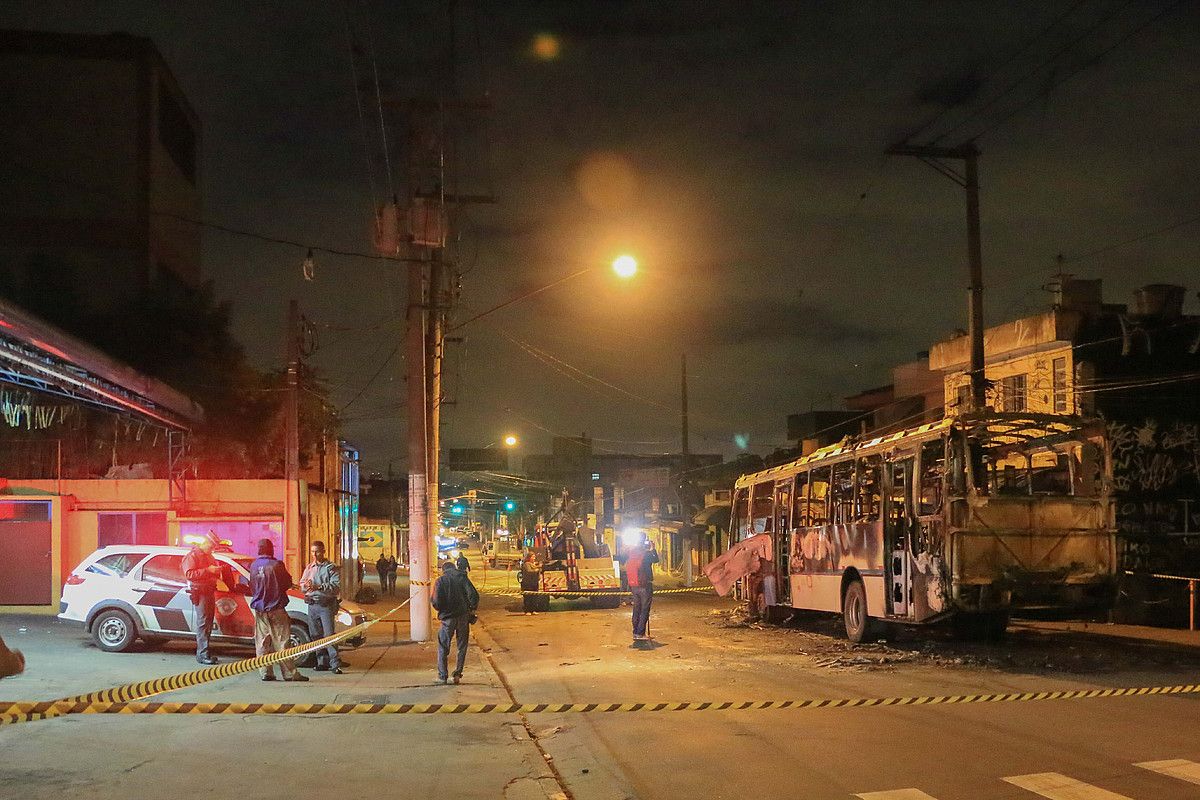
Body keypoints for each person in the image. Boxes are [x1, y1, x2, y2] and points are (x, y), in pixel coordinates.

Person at [249, 539, 307, 682]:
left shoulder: (253, 565)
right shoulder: (277, 565)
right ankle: (289, 674)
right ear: (271, 549)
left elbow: (251, 586)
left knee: (262, 642)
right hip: (276, 609)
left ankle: (265, 672)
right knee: (282, 642)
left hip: (260, 610)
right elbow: (286, 583)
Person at [431, 560, 479, 685]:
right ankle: (457, 674)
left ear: (444, 570)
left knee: (443, 646)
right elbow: (473, 595)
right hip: (463, 616)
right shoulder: (462, 577)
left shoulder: (441, 581)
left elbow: (436, 601)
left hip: (448, 618)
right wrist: (472, 609)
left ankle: (442, 676)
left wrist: (441, 610)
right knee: (462, 646)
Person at [182, 531, 227, 664]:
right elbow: (189, 574)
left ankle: (205, 652)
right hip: (200, 593)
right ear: (205, 543)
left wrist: (218, 571)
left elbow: (212, 571)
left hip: (209, 592)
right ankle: (202, 654)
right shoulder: (192, 556)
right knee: (203, 623)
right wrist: (208, 570)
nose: (212, 549)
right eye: (211, 546)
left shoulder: (209, 556)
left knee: (208, 623)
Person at [300, 541, 343, 673]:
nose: (314, 554)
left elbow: (335, 587)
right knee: (315, 635)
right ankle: (322, 662)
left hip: (326, 605)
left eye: (317, 551)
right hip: (312, 604)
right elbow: (302, 585)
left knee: (329, 635)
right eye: (312, 551)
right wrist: (305, 586)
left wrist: (318, 586)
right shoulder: (309, 568)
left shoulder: (330, 568)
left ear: (323, 551)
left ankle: (335, 664)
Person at [617, 532, 659, 642]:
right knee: (645, 609)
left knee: (636, 608)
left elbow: (621, 557)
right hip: (645, 585)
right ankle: (640, 633)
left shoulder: (632, 552)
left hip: (634, 585)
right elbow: (656, 559)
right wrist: (653, 548)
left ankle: (635, 632)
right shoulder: (646, 553)